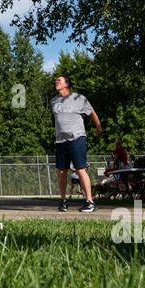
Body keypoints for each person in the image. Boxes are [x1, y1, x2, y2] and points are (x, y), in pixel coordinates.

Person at [51, 74, 102, 213]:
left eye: (59, 80)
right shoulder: (54, 100)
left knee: (80, 169)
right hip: (61, 140)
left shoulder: (79, 98)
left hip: (77, 137)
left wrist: (98, 126)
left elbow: (91, 112)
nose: (56, 82)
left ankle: (90, 202)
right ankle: (63, 201)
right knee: (61, 172)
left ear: (66, 84)